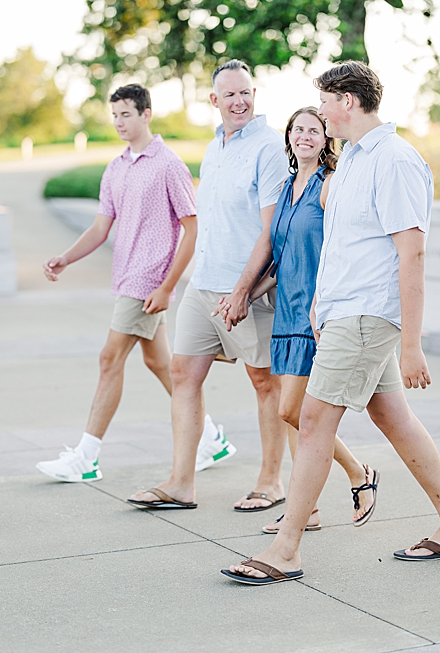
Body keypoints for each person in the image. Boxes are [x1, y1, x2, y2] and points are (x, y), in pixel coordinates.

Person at [223, 60, 440, 586]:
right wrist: (321, 302)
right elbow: (341, 245)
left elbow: (410, 252)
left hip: (368, 316)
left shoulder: (394, 159)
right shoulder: (352, 165)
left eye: (324, 101)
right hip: (343, 313)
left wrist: (412, 344)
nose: (318, 110)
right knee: (394, 420)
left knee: (314, 420)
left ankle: (286, 549)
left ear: (348, 101)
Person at [37, 83, 230, 484]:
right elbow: (100, 226)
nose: (119, 123)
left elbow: (192, 230)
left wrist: (166, 286)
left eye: (126, 114)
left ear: (146, 114)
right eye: (115, 116)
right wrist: (66, 258)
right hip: (126, 276)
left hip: (147, 280)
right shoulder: (117, 167)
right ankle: (210, 437)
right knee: (161, 364)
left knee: (109, 359)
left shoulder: (169, 164)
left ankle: (87, 457)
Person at [127, 59, 289, 511]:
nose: (240, 101)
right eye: (230, 94)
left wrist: (242, 289)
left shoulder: (270, 147)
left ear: (254, 95)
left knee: (264, 382)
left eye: (246, 92)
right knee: (183, 373)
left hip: (248, 287)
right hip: (205, 283)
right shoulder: (214, 146)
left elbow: (271, 230)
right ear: (214, 100)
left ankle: (271, 481)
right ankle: (181, 482)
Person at [217, 107, 377, 533]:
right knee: (293, 414)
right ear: (288, 137)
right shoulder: (287, 187)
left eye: (314, 129)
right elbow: (282, 258)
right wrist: (244, 296)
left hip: (316, 315)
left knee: (296, 412)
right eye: (298, 129)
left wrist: (322, 303)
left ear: (326, 140)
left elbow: (340, 250)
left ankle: (357, 474)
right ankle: (312, 508)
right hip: (285, 312)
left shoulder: (329, 186)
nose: (305, 135)